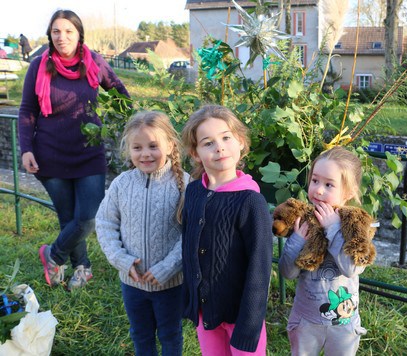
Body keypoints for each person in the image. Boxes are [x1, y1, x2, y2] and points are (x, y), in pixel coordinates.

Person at [18, 10, 129, 291]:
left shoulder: (95, 63)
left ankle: (53, 255)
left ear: (79, 34)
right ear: (50, 35)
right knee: (68, 217)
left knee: (88, 218)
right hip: (49, 154)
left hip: (89, 153)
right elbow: (27, 111)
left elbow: (120, 94)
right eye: (56, 31)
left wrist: (117, 120)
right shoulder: (38, 66)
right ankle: (83, 269)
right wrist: (26, 149)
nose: (62, 37)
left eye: (68, 31)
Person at [181, 105, 273, 355]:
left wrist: (250, 324)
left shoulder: (250, 202)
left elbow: (260, 266)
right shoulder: (193, 192)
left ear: (241, 142)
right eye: (208, 143)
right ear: (196, 153)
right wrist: (191, 299)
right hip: (207, 312)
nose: (219, 147)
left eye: (226, 138)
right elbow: (188, 246)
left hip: (241, 317)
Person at [96, 111, 189, 356]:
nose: (145, 153)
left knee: (170, 334)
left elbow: (192, 233)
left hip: (170, 284)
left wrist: (169, 267)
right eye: (137, 147)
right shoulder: (121, 184)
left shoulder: (186, 185)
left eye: (153, 146)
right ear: (129, 149)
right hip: (132, 283)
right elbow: (105, 223)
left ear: (170, 145)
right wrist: (122, 261)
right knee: (140, 334)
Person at [278, 146, 372, 356]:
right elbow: (287, 272)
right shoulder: (305, 222)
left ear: (348, 192)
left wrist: (332, 228)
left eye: (329, 185)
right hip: (306, 319)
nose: (319, 190)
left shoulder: (353, 226)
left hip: (344, 321)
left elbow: (351, 269)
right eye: (315, 181)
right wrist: (296, 240)